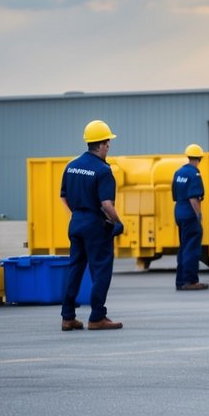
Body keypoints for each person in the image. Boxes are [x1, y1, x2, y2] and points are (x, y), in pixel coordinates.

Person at [59, 120, 125, 331]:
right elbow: (106, 204)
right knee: (101, 270)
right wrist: (118, 222)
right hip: (95, 226)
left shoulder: (71, 166)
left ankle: (68, 317)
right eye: (108, 143)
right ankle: (97, 317)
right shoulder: (103, 170)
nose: (109, 147)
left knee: (75, 269)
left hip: (76, 222)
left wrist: (79, 214)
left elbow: (64, 197)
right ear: (103, 144)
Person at [172, 144, 209, 291]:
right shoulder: (194, 174)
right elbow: (194, 198)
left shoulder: (178, 172)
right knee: (192, 248)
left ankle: (180, 280)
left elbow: (175, 195)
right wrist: (198, 215)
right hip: (189, 212)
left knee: (184, 247)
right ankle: (190, 280)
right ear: (199, 158)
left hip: (179, 210)